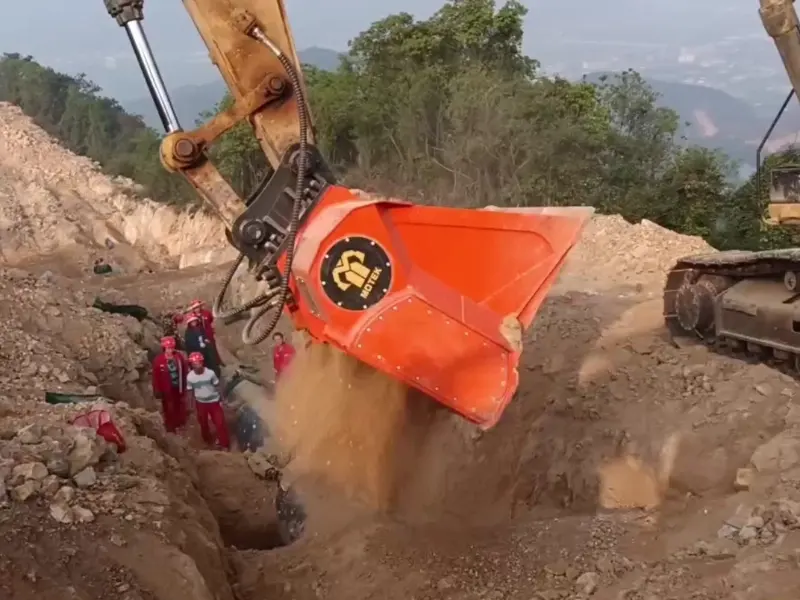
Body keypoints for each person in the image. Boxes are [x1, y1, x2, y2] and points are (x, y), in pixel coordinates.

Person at [186, 352, 230, 450]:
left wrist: (222, 399)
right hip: (200, 403)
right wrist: (191, 405)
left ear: (202, 363)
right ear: (192, 365)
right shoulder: (190, 377)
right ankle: (207, 440)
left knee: (220, 422)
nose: (198, 366)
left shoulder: (210, 373)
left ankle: (224, 444)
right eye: (195, 364)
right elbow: (190, 391)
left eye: (199, 363)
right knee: (203, 423)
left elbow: (218, 386)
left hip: (214, 401)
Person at [151, 336, 188, 433]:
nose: (170, 350)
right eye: (168, 348)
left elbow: (184, 370)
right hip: (166, 389)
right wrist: (157, 389)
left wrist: (185, 384)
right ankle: (170, 425)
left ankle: (179, 422)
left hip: (177, 385)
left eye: (171, 348)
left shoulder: (178, 357)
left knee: (178, 404)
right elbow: (156, 376)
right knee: (168, 407)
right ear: (164, 348)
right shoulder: (159, 360)